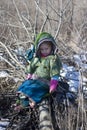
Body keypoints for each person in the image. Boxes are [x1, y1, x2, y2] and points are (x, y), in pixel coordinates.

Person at [15, 32, 62, 110]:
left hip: (45, 82)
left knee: (34, 90)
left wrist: (53, 84)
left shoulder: (52, 59)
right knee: (25, 86)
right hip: (35, 79)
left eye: (46, 48)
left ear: (52, 47)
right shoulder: (37, 58)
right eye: (42, 49)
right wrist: (29, 75)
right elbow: (32, 67)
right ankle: (19, 101)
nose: (44, 51)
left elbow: (55, 74)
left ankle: (26, 104)